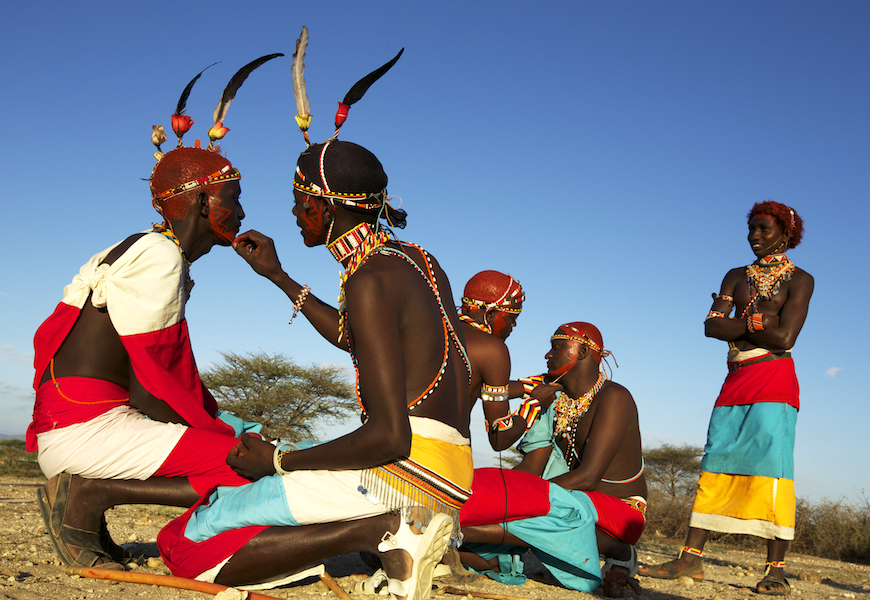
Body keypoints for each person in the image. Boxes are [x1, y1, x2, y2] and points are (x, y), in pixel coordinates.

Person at [157, 42, 473, 596]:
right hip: (451, 470)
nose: (294, 215)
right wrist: (279, 278)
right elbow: (358, 340)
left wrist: (282, 461)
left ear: (325, 208)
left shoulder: (369, 279)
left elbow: (388, 436)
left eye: (300, 203)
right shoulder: (415, 260)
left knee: (190, 541)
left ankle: (387, 529)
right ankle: (388, 532)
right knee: (241, 507)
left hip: (403, 474)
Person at [29, 55, 282, 570]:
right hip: (87, 431)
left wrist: (218, 423)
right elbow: (153, 380)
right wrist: (225, 440)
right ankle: (90, 496)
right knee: (255, 468)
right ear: (199, 203)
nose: (241, 213)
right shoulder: (161, 256)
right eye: (232, 200)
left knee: (237, 443)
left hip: (76, 422)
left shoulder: (138, 248)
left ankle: (90, 504)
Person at [639, 201, 814, 596]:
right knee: (716, 460)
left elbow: (786, 338)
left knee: (773, 469)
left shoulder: (800, 280)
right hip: (736, 379)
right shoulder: (736, 276)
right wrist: (759, 322)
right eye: (751, 229)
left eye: (764, 230)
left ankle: (776, 570)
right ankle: (690, 559)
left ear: (785, 235)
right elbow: (710, 327)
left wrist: (739, 325)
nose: (755, 236)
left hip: (775, 379)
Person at [457, 322, 647, 596]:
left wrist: (518, 497)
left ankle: (619, 550)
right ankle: (462, 536)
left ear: (582, 351)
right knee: (494, 496)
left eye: (557, 347)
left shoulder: (615, 398)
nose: (548, 354)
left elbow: (588, 477)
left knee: (528, 507)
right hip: (570, 498)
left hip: (619, 511)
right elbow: (498, 391)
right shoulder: (554, 396)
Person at [457, 271, 542, 451]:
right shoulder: (492, 349)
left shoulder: (431, 328)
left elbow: (472, 384)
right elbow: (500, 438)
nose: (514, 325)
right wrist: (534, 404)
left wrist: (526, 386)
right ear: (490, 314)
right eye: (512, 318)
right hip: (439, 457)